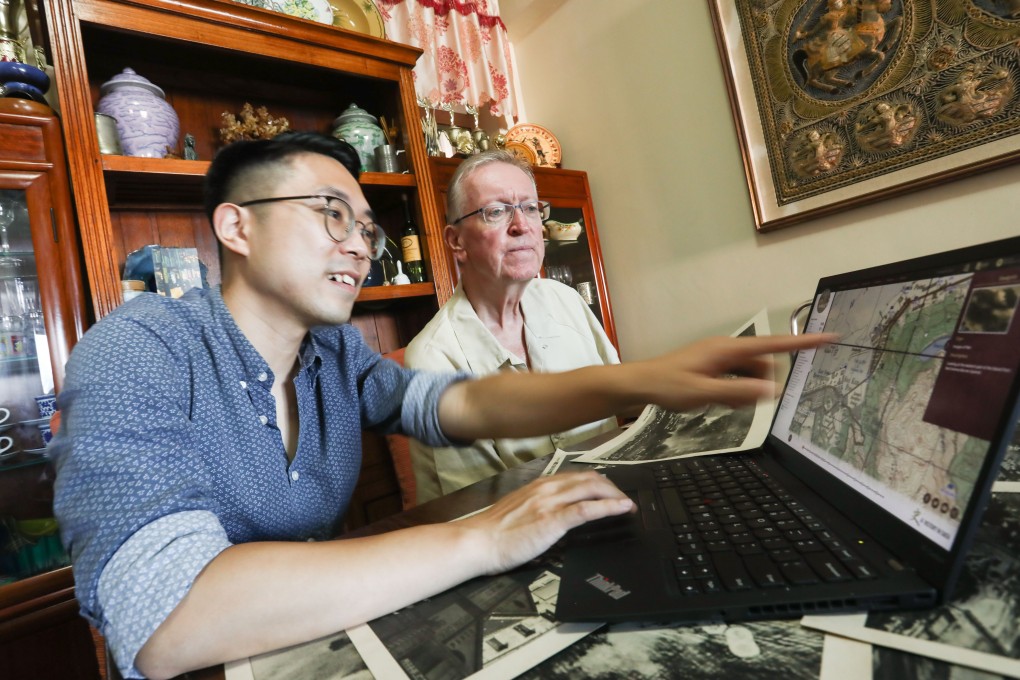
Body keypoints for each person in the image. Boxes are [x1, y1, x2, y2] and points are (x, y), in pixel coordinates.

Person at [50, 131, 832, 679]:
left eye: (364, 226)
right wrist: (486, 536)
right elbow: (165, 622)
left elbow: (461, 403)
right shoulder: (141, 348)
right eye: (330, 213)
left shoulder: (335, 355)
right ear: (236, 226)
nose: (360, 244)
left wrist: (641, 380)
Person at [406, 150, 620, 502]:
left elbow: (622, 405)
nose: (521, 225)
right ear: (456, 240)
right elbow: (481, 506)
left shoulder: (565, 300)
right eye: (496, 211)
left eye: (531, 208)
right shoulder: (433, 361)